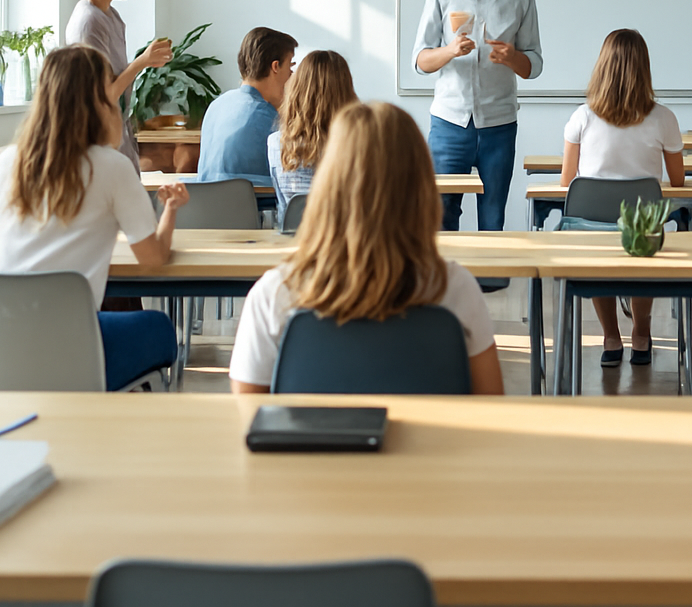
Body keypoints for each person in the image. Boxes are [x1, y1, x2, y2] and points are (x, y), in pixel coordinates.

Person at [231, 101, 504, 395]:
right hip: (431, 442)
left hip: (307, 442)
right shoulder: (455, 289)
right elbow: (490, 406)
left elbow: (248, 418)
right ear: (421, 186)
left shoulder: (274, 295)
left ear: (327, 185)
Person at [0, 45, 188, 391]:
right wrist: (170, 210)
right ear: (100, 98)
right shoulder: (112, 167)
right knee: (159, 328)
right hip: (74, 348)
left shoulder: (6, 163)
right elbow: (154, 259)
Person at [412, 0, 543, 231]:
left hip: (499, 124)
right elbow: (421, 61)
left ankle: (489, 283)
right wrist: (450, 51)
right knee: (440, 214)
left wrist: (512, 57)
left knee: (493, 213)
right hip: (448, 123)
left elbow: (534, 65)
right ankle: (443, 283)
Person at [561, 29, 684, 368]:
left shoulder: (582, 117)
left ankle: (611, 338)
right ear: (644, 68)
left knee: (599, 258)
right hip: (642, 228)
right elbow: (677, 180)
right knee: (643, 257)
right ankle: (641, 334)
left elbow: (567, 181)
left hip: (591, 227)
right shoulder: (664, 118)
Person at [64, 0, 172, 173]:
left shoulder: (110, 17)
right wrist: (141, 62)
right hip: (99, 143)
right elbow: (102, 98)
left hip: (118, 137)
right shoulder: (88, 23)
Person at [267, 50, 357, 230]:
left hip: (295, 242)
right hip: (348, 243)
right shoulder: (358, 143)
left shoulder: (276, 143)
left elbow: (283, 205)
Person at [198, 27, 297, 185]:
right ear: (275, 67)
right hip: (251, 206)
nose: (291, 76)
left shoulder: (216, 105)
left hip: (205, 206)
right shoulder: (267, 117)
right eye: (290, 68)